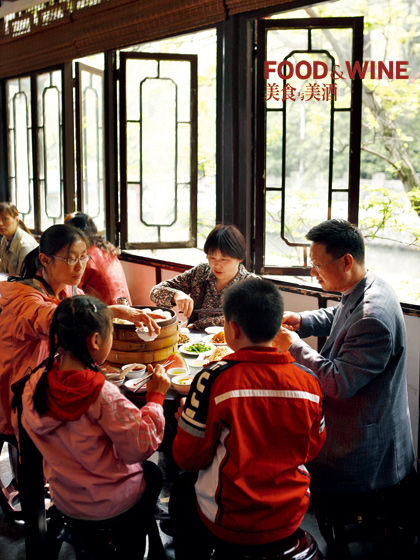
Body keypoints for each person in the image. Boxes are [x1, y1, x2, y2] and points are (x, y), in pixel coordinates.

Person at [280, 219, 417, 552]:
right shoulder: (368, 284)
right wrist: (303, 321)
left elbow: (338, 382)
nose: (313, 273)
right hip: (369, 421)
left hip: (364, 443)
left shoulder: (374, 316)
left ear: (346, 261)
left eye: (317, 265)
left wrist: (295, 345)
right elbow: (342, 314)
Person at [170, 278, 326, 559]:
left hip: (230, 519)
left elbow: (187, 457)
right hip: (291, 512)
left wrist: (189, 423)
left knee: (182, 489)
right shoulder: (311, 382)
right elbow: (313, 448)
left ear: (233, 328)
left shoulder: (213, 377)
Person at [19, 295, 170, 558]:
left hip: (66, 496)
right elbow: (140, 446)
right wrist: (155, 397)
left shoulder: (33, 384)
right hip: (109, 502)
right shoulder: (102, 394)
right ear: (96, 341)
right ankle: (133, 546)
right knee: (154, 473)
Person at [0, 223, 162, 437]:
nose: (80, 266)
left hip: (40, 386)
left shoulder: (67, 288)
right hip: (14, 391)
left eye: (83, 257)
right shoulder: (25, 299)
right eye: (71, 259)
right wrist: (117, 311)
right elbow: (58, 319)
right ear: (45, 260)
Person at [150, 224, 256, 330]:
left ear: (240, 258)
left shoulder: (252, 285)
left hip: (232, 344)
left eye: (224, 259)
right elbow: (155, 292)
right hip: (192, 344)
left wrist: (200, 324)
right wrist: (176, 295)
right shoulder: (201, 272)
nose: (216, 265)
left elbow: (247, 319)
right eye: (212, 258)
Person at [65, 212, 132, 305]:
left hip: (107, 313)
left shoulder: (83, 257)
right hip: (126, 307)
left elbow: (72, 293)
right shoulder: (107, 250)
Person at [0, 202, 38, 276]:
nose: (0, 223)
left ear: (16, 220)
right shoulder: (5, 239)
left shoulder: (25, 245)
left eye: (5, 219)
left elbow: (23, 279)